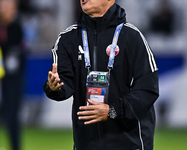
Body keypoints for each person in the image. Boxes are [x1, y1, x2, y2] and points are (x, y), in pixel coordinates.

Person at [43, 0, 159, 150]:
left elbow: (148, 90)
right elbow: (64, 84)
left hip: (130, 142)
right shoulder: (68, 39)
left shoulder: (133, 37)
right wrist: (54, 87)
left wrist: (112, 110)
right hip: (87, 144)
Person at [0, 0, 26, 150]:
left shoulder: (16, 28)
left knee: (12, 116)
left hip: (13, 79)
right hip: (6, 76)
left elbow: (15, 59)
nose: (3, 9)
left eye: (7, 6)